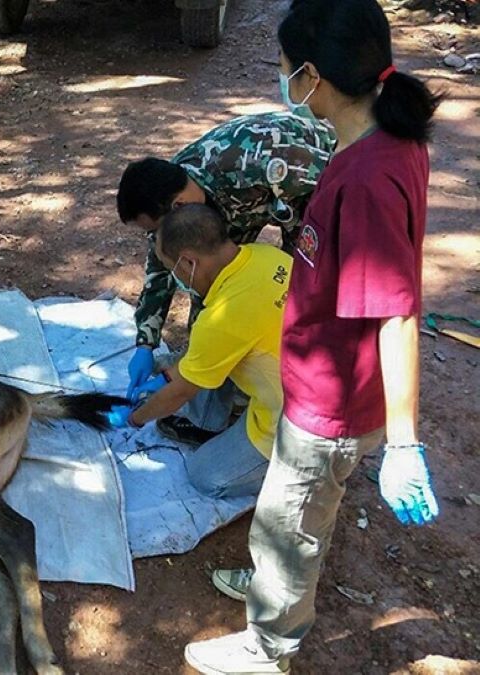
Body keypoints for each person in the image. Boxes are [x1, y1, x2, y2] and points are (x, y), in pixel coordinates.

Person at [184, 1, 441, 673]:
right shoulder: (389, 133)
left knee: (291, 517)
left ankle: (269, 643)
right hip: (324, 382)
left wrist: (405, 441)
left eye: (282, 69)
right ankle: (275, 589)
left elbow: (397, 312)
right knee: (292, 515)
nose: (280, 80)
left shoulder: (366, 179)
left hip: (332, 404)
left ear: (311, 76)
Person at [116, 111, 335, 445]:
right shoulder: (169, 192)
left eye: (154, 229)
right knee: (214, 313)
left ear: (177, 209)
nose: (155, 236)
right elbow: (162, 270)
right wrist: (146, 342)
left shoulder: (253, 165)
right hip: (257, 206)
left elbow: (338, 184)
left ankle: (306, 398)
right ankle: (212, 414)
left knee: (299, 294)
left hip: (309, 189)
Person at [105, 204, 288, 504]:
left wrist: (136, 418)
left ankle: (297, 471)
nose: (176, 279)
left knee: (204, 475)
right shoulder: (266, 256)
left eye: (172, 269)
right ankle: (212, 421)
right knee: (203, 361)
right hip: (311, 378)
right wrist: (164, 374)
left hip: (298, 421)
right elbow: (203, 358)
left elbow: (180, 393)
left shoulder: (222, 318)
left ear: (189, 262)